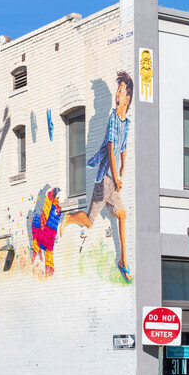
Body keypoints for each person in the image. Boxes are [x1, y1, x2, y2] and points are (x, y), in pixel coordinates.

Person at [61, 70, 133, 281]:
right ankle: (70, 218)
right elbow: (111, 149)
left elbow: (123, 148)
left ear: (127, 98)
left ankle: (123, 260)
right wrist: (116, 176)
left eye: (120, 91)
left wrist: (122, 171)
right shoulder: (112, 119)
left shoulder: (125, 122)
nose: (117, 95)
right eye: (117, 91)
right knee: (99, 219)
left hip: (112, 177)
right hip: (105, 178)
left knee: (114, 216)